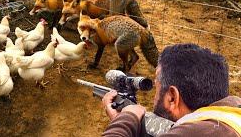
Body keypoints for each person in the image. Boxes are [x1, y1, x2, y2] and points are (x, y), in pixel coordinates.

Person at [102, 43, 241, 137]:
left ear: (172, 98)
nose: (154, 96)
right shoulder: (232, 116)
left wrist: (126, 118)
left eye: (157, 85)